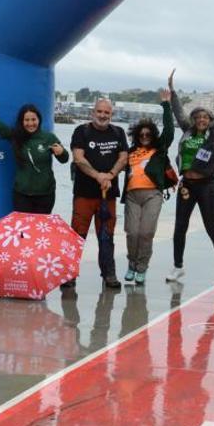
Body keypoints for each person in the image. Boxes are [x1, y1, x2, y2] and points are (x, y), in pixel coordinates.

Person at [165, 71, 214, 285]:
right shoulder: (188, 133)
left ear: (209, 121)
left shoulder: (213, 136)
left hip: (206, 186)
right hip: (187, 185)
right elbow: (178, 113)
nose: (202, 120)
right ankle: (178, 267)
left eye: (205, 118)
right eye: (198, 118)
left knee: (211, 226)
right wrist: (173, 92)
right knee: (180, 226)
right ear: (194, 120)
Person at [65, 98, 129, 290]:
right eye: (99, 112)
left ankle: (109, 274)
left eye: (106, 113)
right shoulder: (81, 131)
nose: (102, 115)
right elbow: (78, 158)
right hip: (84, 194)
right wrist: (97, 176)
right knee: (77, 235)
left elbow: (124, 157)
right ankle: (69, 274)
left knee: (107, 236)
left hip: (107, 196)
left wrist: (109, 175)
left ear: (111, 114)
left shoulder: (118, 132)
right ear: (93, 112)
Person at [0, 87, 68, 213]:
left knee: (40, 231)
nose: (30, 123)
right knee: (22, 232)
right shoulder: (15, 136)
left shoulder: (48, 138)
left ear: (39, 119)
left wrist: (62, 152)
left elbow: (65, 159)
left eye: (33, 119)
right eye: (27, 120)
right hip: (22, 195)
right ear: (22, 121)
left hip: (45, 195)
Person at [121, 89, 175, 285]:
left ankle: (142, 268)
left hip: (153, 195)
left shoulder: (158, 149)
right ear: (136, 135)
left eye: (148, 133)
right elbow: (115, 165)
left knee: (146, 233)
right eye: (141, 134)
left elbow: (169, 131)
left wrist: (166, 105)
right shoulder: (131, 151)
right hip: (132, 196)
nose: (144, 136)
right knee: (132, 233)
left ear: (152, 134)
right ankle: (131, 265)